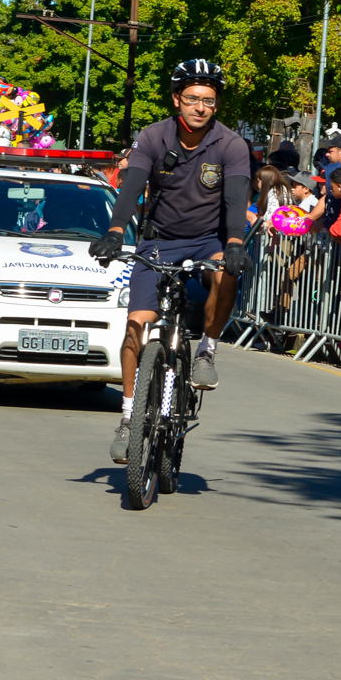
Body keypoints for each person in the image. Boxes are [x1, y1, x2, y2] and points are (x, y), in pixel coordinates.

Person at [90, 59, 251, 464]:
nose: (200, 107)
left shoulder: (230, 144)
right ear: (177, 99)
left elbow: (236, 198)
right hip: (159, 243)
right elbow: (132, 186)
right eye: (193, 99)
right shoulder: (153, 136)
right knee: (136, 327)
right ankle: (128, 419)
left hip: (207, 241)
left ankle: (207, 352)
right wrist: (114, 232)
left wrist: (234, 242)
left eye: (209, 101)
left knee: (227, 273)